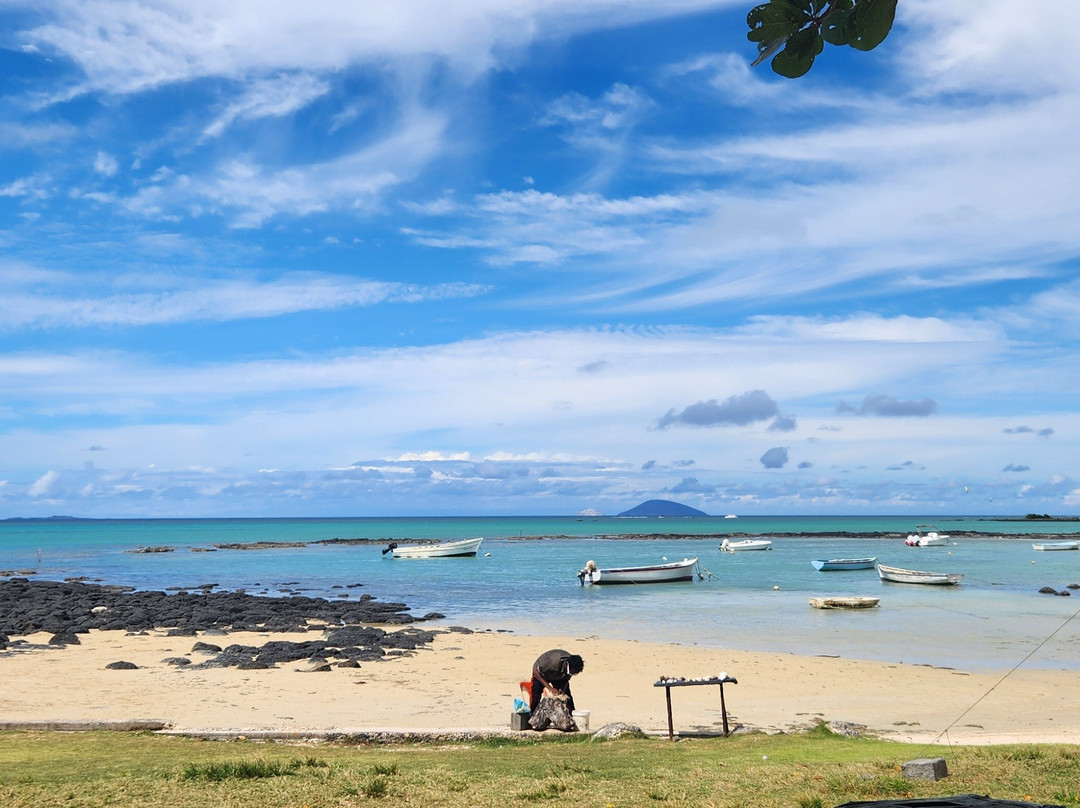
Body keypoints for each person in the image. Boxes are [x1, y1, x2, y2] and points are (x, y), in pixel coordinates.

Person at [529, 649, 584, 713]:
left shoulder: (572, 668)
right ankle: (532, 714)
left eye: (573, 673)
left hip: (559, 675)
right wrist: (550, 688)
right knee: (536, 694)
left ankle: (572, 714)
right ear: (566, 664)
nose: (571, 674)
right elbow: (536, 672)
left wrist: (562, 690)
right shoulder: (552, 663)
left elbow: (566, 679)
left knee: (567, 696)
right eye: (571, 672)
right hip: (542, 673)